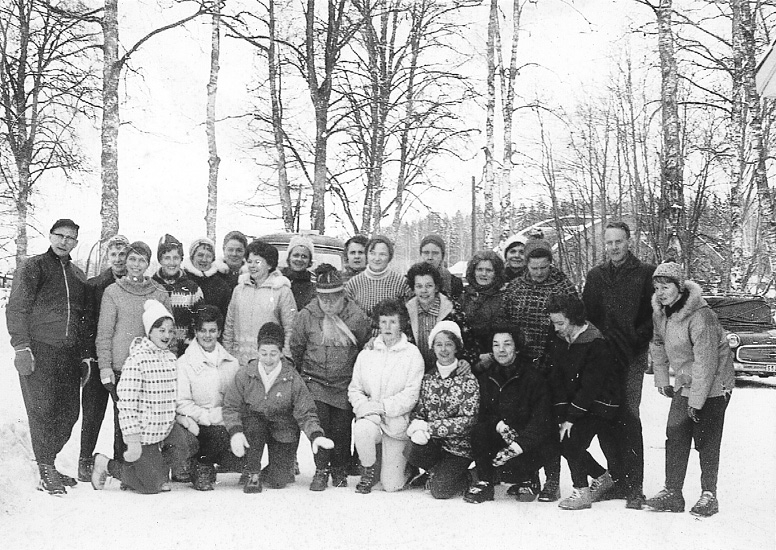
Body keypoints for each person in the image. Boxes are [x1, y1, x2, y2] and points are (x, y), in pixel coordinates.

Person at [645, 262, 734, 517]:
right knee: (675, 433)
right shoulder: (661, 313)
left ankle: (709, 495)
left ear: (679, 287)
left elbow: (706, 362)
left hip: (714, 384)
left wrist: (695, 402)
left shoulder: (701, 316)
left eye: (666, 287)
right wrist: (662, 378)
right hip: (686, 382)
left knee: (706, 440)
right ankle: (673, 493)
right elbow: (657, 343)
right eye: (657, 288)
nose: (661, 293)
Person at [6, 218, 87, 495]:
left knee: (69, 413)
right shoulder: (34, 267)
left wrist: (83, 356)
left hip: (69, 355)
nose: (64, 241)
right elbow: (17, 308)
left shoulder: (78, 275)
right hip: (39, 350)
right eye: (60, 235)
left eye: (70, 238)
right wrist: (21, 347)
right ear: (51, 236)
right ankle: (46, 470)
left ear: (76, 242)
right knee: (42, 411)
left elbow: (82, 318)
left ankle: (48, 462)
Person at [582, 221, 656, 508]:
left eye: (619, 241)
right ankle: (617, 479)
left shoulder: (645, 273)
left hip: (631, 357)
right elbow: (588, 316)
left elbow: (653, 316)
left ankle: (635, 486)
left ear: (629, 241)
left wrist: (635, 339)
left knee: (628, 416)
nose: (614, 247)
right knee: (605, 415)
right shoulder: (596, 276)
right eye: (609, 242)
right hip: (603, 359)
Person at [501, 238, 577, 501]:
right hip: (521, 365)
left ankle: (552, 480)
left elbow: (573, 324)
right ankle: (529, 476)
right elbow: (506, 323)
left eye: (543, 267)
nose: (538, 273)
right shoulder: (514, 288)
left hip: (552, 364)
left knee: (550, 423)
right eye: (533, 268)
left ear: (550, 264)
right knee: (524, 422)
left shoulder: (564, 286)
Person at [224, 322, 334, 494]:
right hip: (255, 424)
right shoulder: (246, 374)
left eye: (273, 354)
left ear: (281, 353)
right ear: (257, 351)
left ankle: (276, 470)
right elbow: (230, 406)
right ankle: (252, 472)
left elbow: (306, 411)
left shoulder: (292, 377)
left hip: (283, 426)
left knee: (278, 480)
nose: (268, 359)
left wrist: (315, 435)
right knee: (253, 424)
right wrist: (235, 431)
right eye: (264, 353)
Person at [290, 264, 371, 490]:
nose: (328, 304)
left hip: (344, 382)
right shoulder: (306, 316)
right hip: (315, 380)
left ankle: (339, 468)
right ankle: (321, 469)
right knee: (320, 424)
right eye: (323, 299)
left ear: (342, 295)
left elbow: (364, 345)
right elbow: (297, 347)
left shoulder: (356, 317)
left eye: (333, 299)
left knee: (341, 427)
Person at [96, 241, 172, 475]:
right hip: (122, 368)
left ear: (148, 264)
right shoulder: (113, 291)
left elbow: (170, 331)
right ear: (126, 261)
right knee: (126, 421)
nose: (136, 265)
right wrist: (105, 367)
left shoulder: (159, 292)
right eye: (132, 259)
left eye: (142, 260)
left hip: (153, 368)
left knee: (152, 420)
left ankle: (148, 471)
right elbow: (104, 333)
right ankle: (123, 471)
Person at [91, 300, 178, 494]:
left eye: (170, 331)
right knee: (149, 488)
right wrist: (132, 439)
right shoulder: (136, 361)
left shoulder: (171, 359)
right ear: (150, 331)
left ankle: (158, 474)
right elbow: (126, 404)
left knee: (187, 444)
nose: (167, 335)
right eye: (161, 330)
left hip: (164, 430)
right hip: (144, 434)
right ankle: (105, 464)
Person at [546, 294, 620, 510]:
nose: (556, 328)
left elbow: (591, 386)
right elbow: (556, 376)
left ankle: (581, 491)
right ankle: (602, 477)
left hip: (599, 403)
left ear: (574, 318)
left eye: (560, 323)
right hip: (575, 401)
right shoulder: (559, 338)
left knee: (571, 440)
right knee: (559, 437)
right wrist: (562, 413)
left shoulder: (595, 342)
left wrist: (570, 418)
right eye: (553, 323)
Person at [465, 326, 556, 503]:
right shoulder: (486, 378)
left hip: (525, 443)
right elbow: (483, 413)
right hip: (501, 438)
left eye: (507, 344)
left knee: (543, 437)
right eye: (496, 345)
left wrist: (516, 446)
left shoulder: (533, 378)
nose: (501, 350)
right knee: (479, 431)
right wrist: (499, 425)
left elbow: (541, 420)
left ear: (517, 348)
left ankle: (529, 478)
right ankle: (485, 482)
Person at [348, 299, 425, 494]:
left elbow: (411, 394)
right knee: (362, 429)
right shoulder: (367, 353)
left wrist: (382, 407)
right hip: (371, 418)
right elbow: (355, 389)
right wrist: (366, 408)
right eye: (383, 322)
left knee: (391, 485)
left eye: (393, 322)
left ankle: (407, 468)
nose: (388, 327)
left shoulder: (412, 354)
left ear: (401, 324)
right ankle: (368, 469)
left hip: (396, 423)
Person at [405, 321, 479, 499]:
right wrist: (417, 425)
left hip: (458, 448)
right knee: (411, 449)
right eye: (439, 344)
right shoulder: (428, 378)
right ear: (433, 347)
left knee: (440, 491)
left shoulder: (468, 380)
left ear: (456, 347)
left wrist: (429, 428)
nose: (443, 349)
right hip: (436, 445)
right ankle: (438, 474)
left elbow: (468, 421)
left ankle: (471, 476)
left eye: (448, 344)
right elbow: (420, 410)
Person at [78, 234, 129, 482]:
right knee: (92, 412)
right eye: (114, 254)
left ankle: (120, 462)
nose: (118, 259)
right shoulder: (95, 285)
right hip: (98, 359)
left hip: (122, 360)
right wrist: (88, 357)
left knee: (123, 414)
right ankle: (85, 459)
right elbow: (86, 324)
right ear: (107, 257)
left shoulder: (134, 284)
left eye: (123, 254)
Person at [174, 305, 240, 491]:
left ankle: (219, 462)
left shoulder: (231, 362)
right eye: (202, 330)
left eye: (212, 330)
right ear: (196, 332)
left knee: (240, 451)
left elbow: (236, 399)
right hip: (198, 422)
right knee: (216, 436)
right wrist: (208, 417)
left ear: (219, 332)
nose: (207, 335)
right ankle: (201, 466)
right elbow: (182, 403)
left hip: (224, 419)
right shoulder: (184, 363)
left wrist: (225, 416)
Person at [222, 239, 297, 366]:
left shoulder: (281, 291)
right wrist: (228, 355)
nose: (252, 266)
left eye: (257, 262)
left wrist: (286, 359)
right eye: (249, 262)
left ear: (269, 264)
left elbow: (290, 328)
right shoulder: (239, 290)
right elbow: (229, 325)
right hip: (239, 361)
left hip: (268, 362)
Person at [405, 262, 478, 371]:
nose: (424, 290)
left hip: (448, 370)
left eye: (429, 286)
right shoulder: (406, 312)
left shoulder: (452, 310)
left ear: (436, 287)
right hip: (415, 371)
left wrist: (466, 360)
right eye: (419, 286)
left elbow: (470, 344)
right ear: (413, 289)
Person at [152, 234, 204, 356]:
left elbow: (199, 321)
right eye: (167, 258)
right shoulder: (152, 286)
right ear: (160, 260)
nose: (172, 262)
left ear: (181, 260)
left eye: (176, 258)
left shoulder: (192, 288)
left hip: (185, 352)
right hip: (156, 352)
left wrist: (189, 346)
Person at [345, 235, 413, 319]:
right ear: (367, 255)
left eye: (382, 254)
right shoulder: (354, 283)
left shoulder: (402, 282)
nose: (377, 258)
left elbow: (411, 313)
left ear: (390, 256)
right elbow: (345, 315)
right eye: (372, 253)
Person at [460, 251, 507, 357]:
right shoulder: (464, 296)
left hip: (495, 355)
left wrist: (490, 356)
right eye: (479, 269)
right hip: (466, 356)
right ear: (473, 271)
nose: (483, 274)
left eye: (489, 270)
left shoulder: (503, 298)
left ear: (496, 273)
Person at [183, 237, 233, 319]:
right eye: (200, 255)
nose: (204, 260)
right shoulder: (183, 279)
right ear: (192, 257)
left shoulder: (221, 285)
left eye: (208, 256)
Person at [418, 234, 463, 300]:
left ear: (442, 256)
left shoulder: (454, 283)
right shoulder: (409, 282)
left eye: (435, 253)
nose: (430, 257)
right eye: (426, 253)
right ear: (421, 255)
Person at [282, 235, 317, 311]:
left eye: (304, 256)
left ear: (310, 261)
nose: (299, 259)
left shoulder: (314, 283)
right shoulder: (279, 278)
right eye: (296, 255)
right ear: (289, 257)